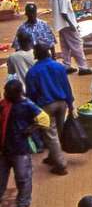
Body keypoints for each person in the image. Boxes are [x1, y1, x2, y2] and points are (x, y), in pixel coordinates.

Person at [0, 79, 49, 207]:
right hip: (4, 149)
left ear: (17, 93)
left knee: (22, 177)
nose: (4, 94)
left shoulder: (27, 105)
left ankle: (23, 202)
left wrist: (31, 129)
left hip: (20, 149)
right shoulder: (4, 104)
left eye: (7, 92)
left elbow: (44, 119)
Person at [25, 42, 74, 175]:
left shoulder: (32, 72)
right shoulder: (58, 66)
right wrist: (70, 103)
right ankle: (53, 157)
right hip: (62, 103)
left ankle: (61, 164)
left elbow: (31, 94)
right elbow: (66, 85)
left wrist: (33, 111)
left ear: (36, 54)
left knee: (50, 135)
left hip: (46, 105)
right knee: (58, 131)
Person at [48, 0, 91, 74]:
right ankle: (83, 67)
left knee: (65, 45)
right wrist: (71, 24)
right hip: (66, 23)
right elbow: (64, 12)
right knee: (77, 44)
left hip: (59, 24)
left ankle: (66, 65)